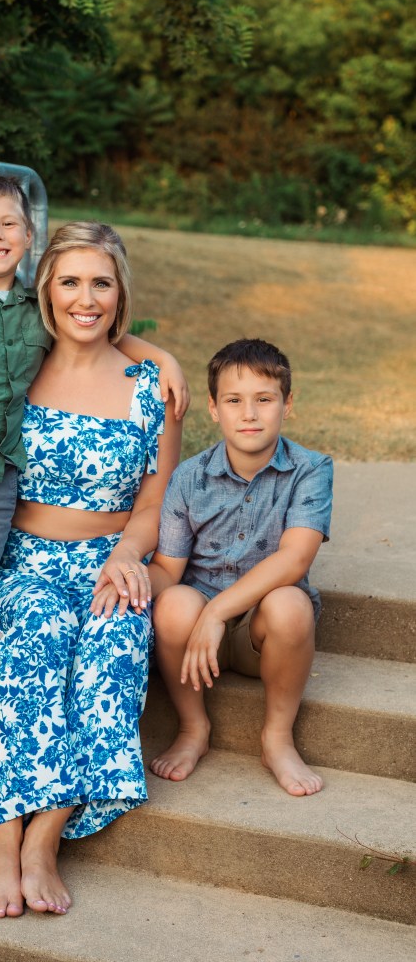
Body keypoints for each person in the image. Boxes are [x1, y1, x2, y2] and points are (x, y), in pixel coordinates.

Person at [0, 221, 182, 917]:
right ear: (45, 290)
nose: (86, 299)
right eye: (69, 282)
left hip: (111, 560)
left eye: (101, 283)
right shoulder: (20, 363)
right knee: (42, 628)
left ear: (121, 292)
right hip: (20, 560)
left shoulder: (150, 387)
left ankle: (44, 838)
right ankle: (1, 834)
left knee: (114, 640)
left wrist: (127, 555)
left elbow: (153, 501)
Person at [147, 338, 333, 797]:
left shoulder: (311, 470)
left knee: (291, 605)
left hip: (261, 634)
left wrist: (218, 612)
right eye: (234, 400)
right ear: (214, 409)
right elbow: (168, 569)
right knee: (172, 603)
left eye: (264, 399)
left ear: (288, 404)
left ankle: (277, 738)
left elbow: (295, 558)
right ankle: (193, 728)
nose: (249, 414)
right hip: (195, 636)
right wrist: (129, 578)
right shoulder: (189, 477)